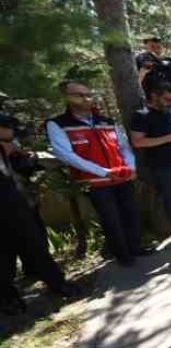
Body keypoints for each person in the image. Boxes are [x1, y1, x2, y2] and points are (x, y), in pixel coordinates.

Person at [46, 80, 149, 266]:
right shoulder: (58, 124)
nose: (85, 98)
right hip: (95, 182)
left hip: (122, 176)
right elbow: (66, 155)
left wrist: (131, 167)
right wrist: (102, 172)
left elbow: (124, 146)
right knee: (111, 219)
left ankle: (135, 248)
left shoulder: (107, 122)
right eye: (78, 94)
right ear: (67, 97)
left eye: (88, 94)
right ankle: (122, 255)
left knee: (131, 213)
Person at [1, 115, 77, 315]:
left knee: (35, 245)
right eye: (9, 128)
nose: (12, 132)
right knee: (6, 254)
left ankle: (56, 283)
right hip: (9, 205)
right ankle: (9, 299)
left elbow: (24, 168)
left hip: (17, 203)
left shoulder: (11, 147)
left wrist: (23, 156)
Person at [130, 82, 171, 241]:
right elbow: (138, 142)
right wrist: (170, 138)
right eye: (168, 100)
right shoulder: (142, 115)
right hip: (162, 167)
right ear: (154, 96)